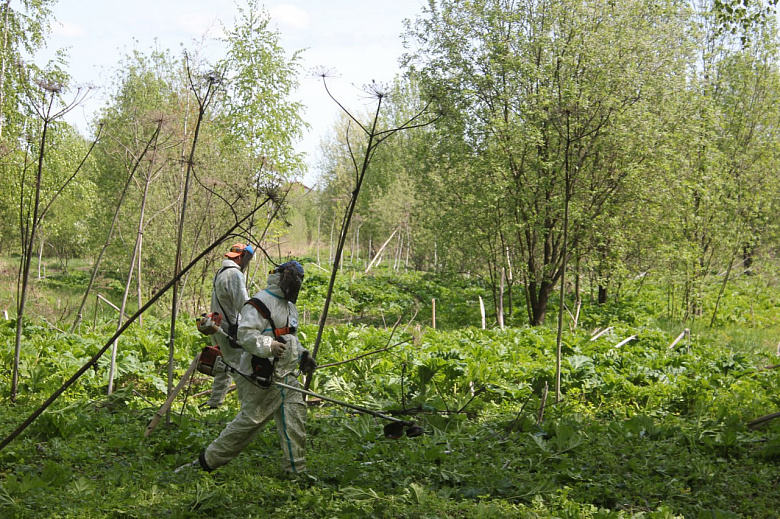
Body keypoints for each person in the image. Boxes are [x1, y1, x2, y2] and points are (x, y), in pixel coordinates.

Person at [183, 260, 317, 475]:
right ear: (281, 277)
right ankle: (206, 463)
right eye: (293, 278)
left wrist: (302, 356)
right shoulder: (259, 303)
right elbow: (245, 335)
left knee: (295, 420)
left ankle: (296, 472)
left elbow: (290, 337)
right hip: (260, 377)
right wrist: (268, 345)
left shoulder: (290, 307)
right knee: (248, 423)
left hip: (286, 375)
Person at [202, 243, 254, 409]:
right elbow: (242, 304)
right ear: (241, 257)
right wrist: (255, 320)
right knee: (238, 365)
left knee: (222, 364)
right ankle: (247, 403)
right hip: (229, 327)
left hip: (216, 325)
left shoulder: (221, 272)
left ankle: (214, 403)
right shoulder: (234, 274)